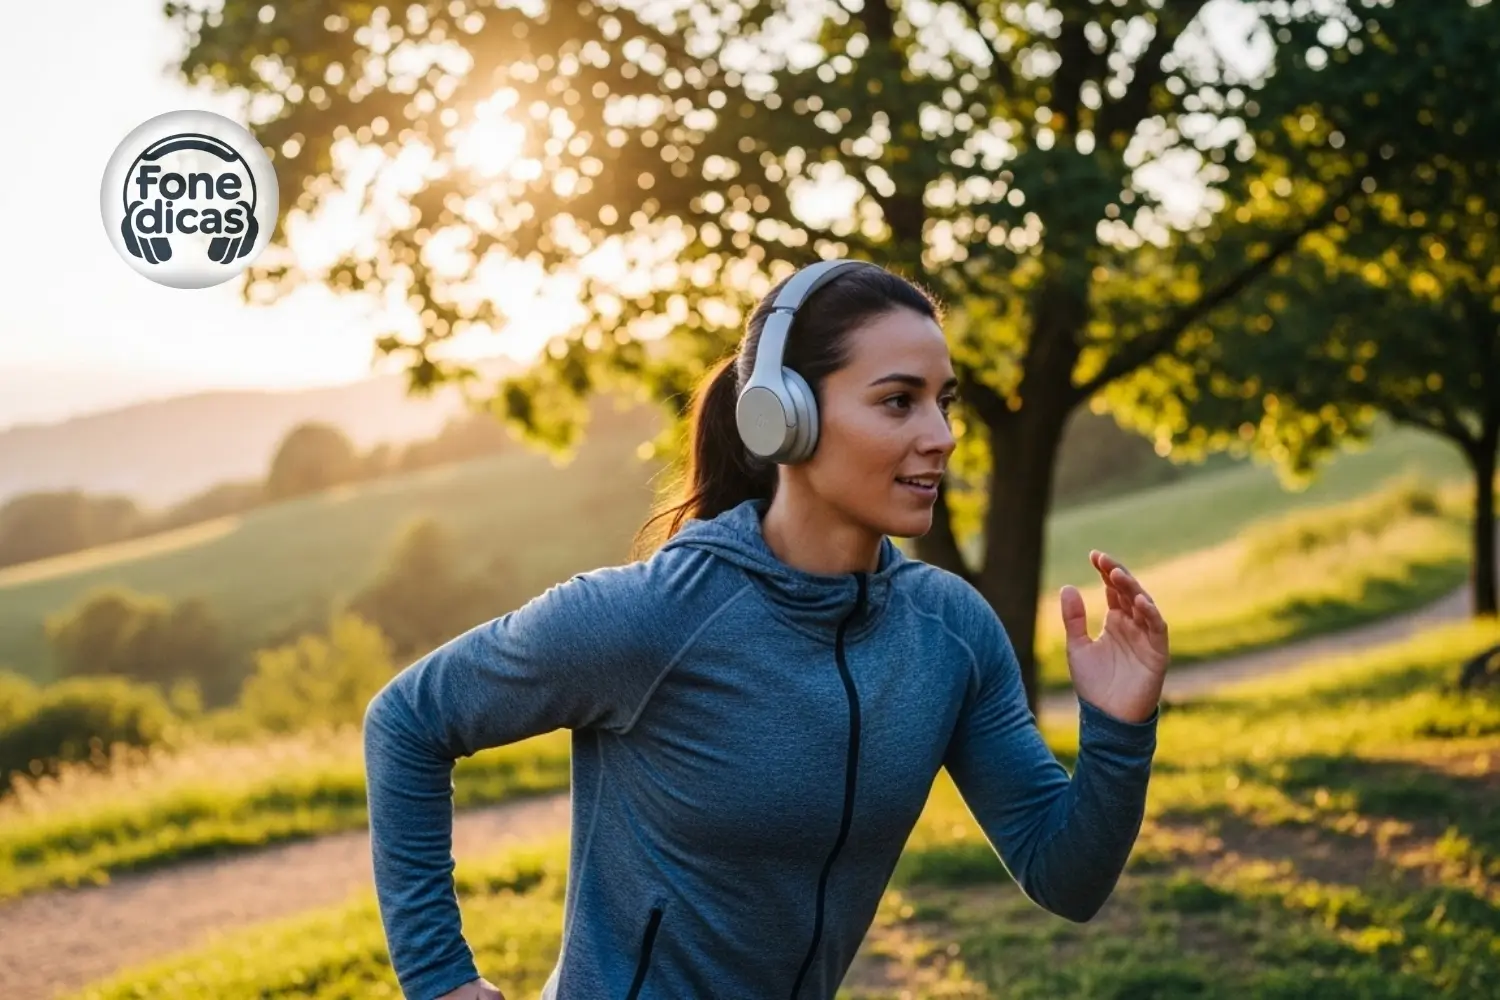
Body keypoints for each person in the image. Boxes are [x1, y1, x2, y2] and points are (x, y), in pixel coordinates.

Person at [362, 260, 1170, 1000]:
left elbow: (1064, 877)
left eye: (943, 400)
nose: (942, 435)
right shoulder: (655, 616)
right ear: (780, 417)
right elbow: (407, 720)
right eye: (898, 401)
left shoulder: (951, 631)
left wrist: (1119, 730)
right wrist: (440, 979)